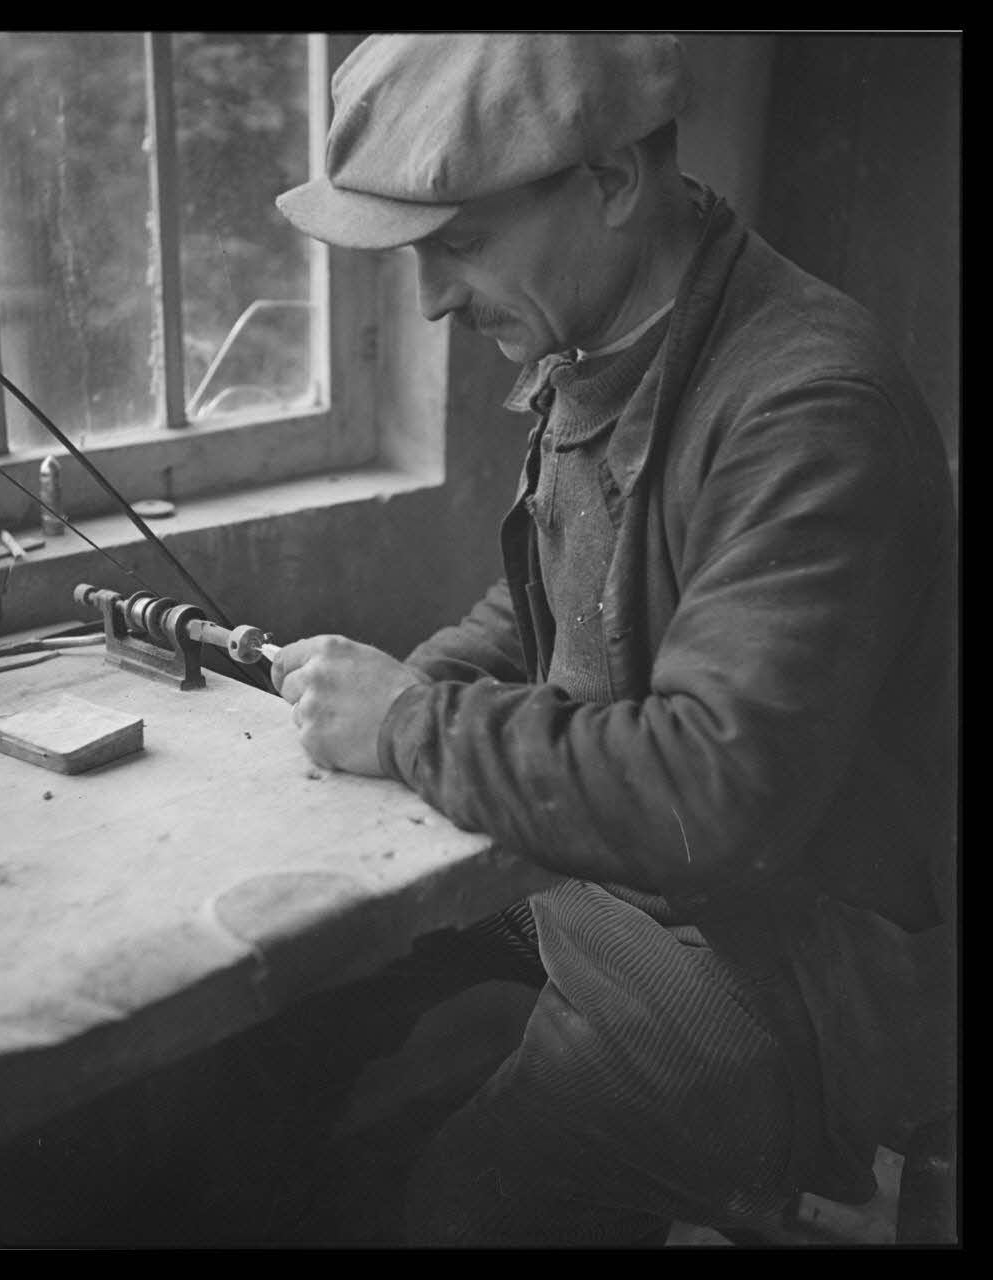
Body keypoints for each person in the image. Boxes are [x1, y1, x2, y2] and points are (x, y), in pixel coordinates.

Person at [271, 33, 957, 1247]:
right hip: (619, 876)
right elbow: (560, 604)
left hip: (770, 972)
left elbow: (717, 787)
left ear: (614, 184)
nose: (430, 298)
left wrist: (409, 723)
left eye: (461, 244)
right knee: (305, 989)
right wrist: (426, 681)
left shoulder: (805, 409)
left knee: (446, 1212)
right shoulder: (606, 334)